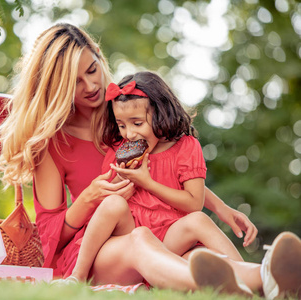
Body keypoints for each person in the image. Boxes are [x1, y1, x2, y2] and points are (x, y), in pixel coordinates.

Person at [0, 23, 300, 297]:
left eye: (92, 69)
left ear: (99, 56)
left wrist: (220, 207)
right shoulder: (54, 144)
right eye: (75, 82)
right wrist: (89, 198)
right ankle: (254, 280)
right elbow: (47, 237)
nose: (91, 86)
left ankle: (267, 280)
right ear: (56, 86)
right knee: (139, 240)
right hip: (96, 250)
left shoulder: (126, 113)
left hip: (155, 232)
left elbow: (167, 168)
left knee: (193, 248)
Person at [67, 71, 245, 285]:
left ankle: (253, 276)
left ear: (161, 114)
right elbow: (106, 201)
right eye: (122, 125)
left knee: (198, 221)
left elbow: (194, 202)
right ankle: (76, 276)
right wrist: (121, 182)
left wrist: (147, 183)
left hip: (169, 240)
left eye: (137, 123)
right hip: (130, 236)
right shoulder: (120, 149)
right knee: (113, 203)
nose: (129, 134)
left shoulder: (186, 147)